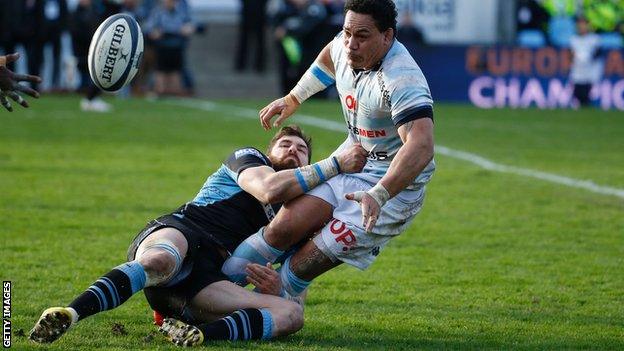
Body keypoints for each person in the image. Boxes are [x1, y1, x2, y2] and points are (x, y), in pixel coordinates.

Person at [29, 125, 368, 345]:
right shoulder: (248, 159)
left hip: (209, 280)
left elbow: (298, 292)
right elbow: (268, 190)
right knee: (161, 260)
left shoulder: (296, 220)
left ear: (307, 163)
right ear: (268, 151)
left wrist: (277, 288)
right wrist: (335, 163)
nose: (293, 150)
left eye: (301, 150)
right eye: (285, 144)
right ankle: (69, 314)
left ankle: (195, 334)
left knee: (291, 317)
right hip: (183, 232)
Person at [218, 0, 435, 319]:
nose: (351, 43)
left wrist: (380, 193)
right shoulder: (345, 47)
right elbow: (328, 59)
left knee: (304, 262)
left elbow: (421, 146)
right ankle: (210, 288)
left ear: (387, 37)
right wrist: (294, 97)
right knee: (284, 227)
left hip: (394, 189)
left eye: (361, 36)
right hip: (354, 159)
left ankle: (262, 308)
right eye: (347, 32)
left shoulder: (402, 79)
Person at [569, 16, 602, 107]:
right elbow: (571, 55)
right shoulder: (573, 39)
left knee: (587, 96)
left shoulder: (594, 39)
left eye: (583, 24)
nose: (581, 27)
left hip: (590, 72)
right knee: (577, 95)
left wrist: (586, 57)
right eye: (580, 25)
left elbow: (597, 54)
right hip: (577, 71)